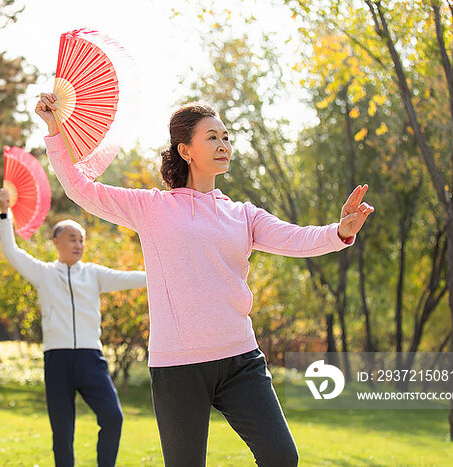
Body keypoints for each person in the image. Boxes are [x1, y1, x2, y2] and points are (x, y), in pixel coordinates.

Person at [35, 94, 375, 467]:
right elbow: (82, 189)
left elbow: (294, 238)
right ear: (186, 150)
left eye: (226, 137)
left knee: (282, 457)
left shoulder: (242, 215)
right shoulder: (151, 208)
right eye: (212, 137)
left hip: (240, 360)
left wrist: (339, 231)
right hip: (178, 366)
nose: (224, 144)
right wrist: (54, 130)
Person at [0, 188, 146, 467]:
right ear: (56, 242)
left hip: (91, 359)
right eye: (72, 239)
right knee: (62, 433)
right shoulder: (43, 274)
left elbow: (133, 278)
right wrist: (5, 212)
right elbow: (10, 250)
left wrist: (165, 273)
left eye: (82, 240)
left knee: (113, 417)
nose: (78, 245)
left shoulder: (94, 274)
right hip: (58, 360)